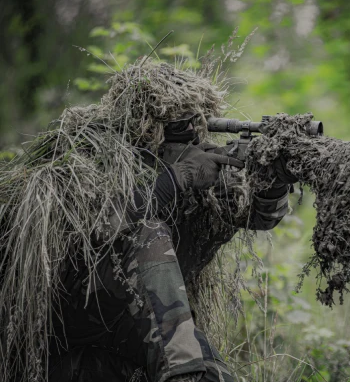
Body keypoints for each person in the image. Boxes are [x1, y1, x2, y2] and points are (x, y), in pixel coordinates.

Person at [47, 112, 298, 382]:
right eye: (178, 124)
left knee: (212, 375)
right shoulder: (101, 158)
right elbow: (98, 229)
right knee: (149, 232)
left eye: (195, 120)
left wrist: (274, 181)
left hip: (134, 328)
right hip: (70, 328)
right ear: (147, 129)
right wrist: (174, 180)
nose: (191, 130)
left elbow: (258, 217)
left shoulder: (200, 169)